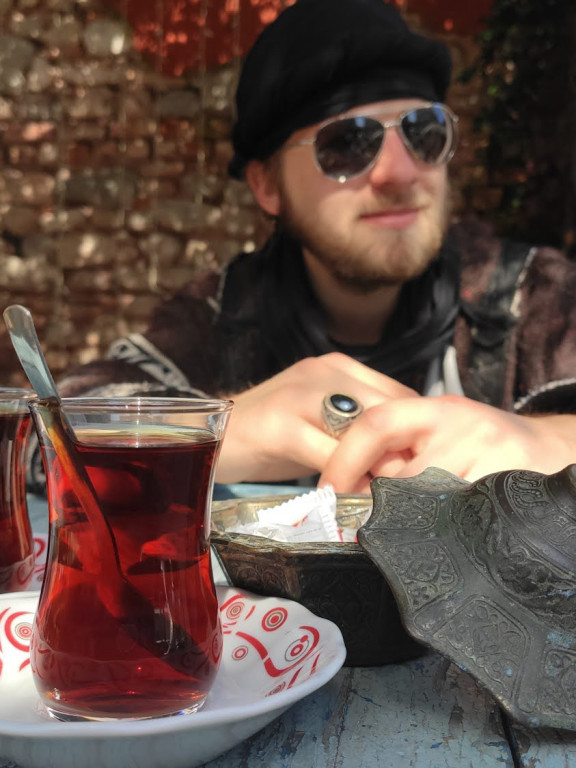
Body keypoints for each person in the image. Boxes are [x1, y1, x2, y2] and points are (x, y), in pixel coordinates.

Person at [54, 0, 576, 494]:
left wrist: (543, 438)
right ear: (268, 186)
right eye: (348, 142)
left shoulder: (530, 296)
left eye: (423, 131)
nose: (400, 172)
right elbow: (50, 432)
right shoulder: (223, 312)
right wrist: (215, 428)